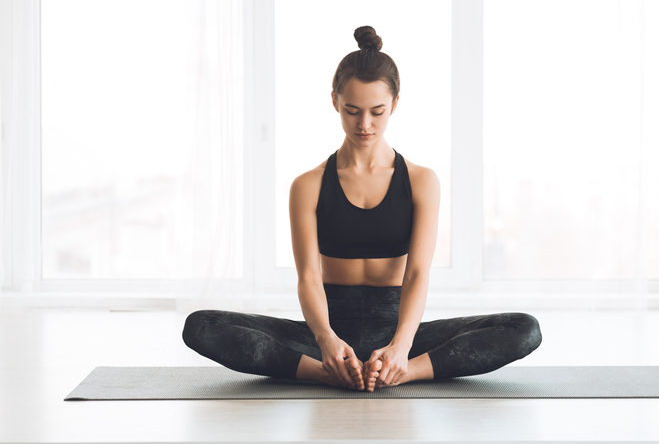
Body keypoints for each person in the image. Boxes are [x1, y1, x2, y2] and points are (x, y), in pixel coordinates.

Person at [183, 26, 542, 392]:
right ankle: (326, 370)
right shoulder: (307, 185)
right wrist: (325, 339)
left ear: (396, 104)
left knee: (524, 328)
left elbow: (417, 273)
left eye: (377, 111)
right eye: (352, 110)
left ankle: (405, 370)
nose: (365, 124)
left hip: (400, 331)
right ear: (335, 101)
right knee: (201, 325)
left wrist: (401, 347)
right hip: (324, 332)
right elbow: (308, 277)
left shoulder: (421, 181)